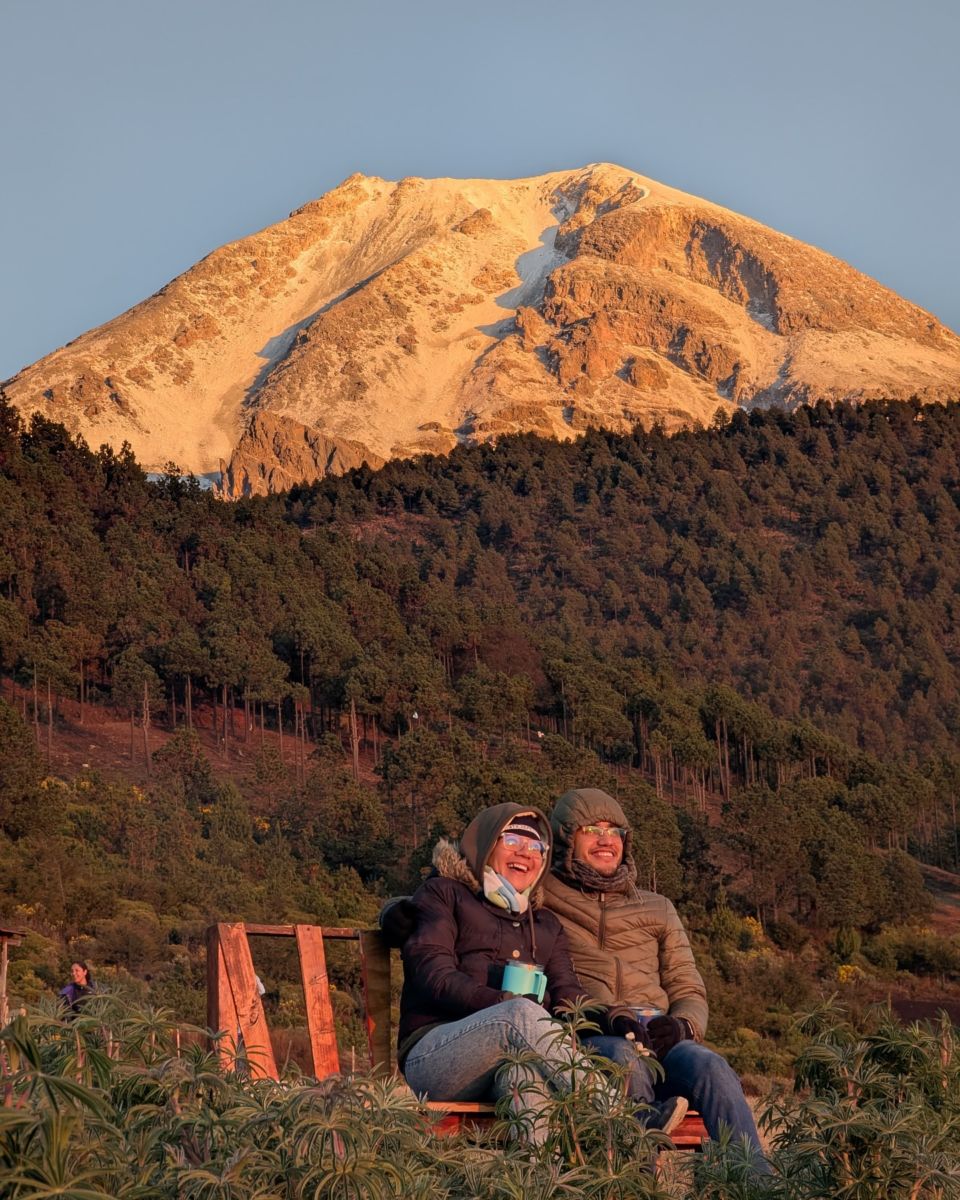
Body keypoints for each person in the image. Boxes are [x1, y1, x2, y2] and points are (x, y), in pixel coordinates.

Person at [393, 801, 687, 1145]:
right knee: (519, 1012)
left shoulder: (544, 922)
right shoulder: (443, 894)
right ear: (486, 844)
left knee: (527, 1081)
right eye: (512, 841)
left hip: (508, 1056)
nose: (526, 853)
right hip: (437, 1054)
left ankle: (536, 1182)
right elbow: (434, 974)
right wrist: (502, 1004)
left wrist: (612, 1017)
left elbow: (567, 993)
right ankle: (622, 1117)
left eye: (536, 847)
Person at [545, 787, 768, 1165]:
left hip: (660, 1038)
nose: (605, 840)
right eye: (592, 830)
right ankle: (636, 1185)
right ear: (566, 837)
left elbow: (687, 986)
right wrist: (408, 912)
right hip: (593, 1035)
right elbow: (471, 892)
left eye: (614, 831)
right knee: (624, 1058)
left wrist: (681, 1026)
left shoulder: (658, 907)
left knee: (712, 1066)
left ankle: (757, 1184)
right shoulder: (543, 895)